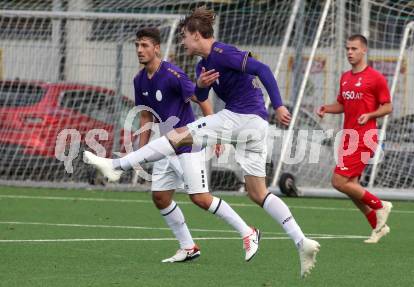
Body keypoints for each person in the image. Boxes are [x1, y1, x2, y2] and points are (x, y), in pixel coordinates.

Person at [84, 7, 319, 278]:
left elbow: (262, 69)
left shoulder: (223, 52)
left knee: (176, 135)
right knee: (258, 192)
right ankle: (302, 241)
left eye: (184, 36)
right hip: (254, 128)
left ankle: (117, 165)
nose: (182, 41)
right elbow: (200, 94)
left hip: (242, 117)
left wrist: (278, 105)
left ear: (197, 35)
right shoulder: (202, 65)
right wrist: (201, 84)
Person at [124, 27, 261, 263]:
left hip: (188, 144)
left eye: (145, 45)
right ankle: (188, 247)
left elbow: (201, 98)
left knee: (200, 198)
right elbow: (146, 117)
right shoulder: (139, 80)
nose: (140, 50)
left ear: (156, 48)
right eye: (137, 45)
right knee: (160, 198)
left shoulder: (173, 74)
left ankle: (248, 232)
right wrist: (140, 153)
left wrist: (213, 134)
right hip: (166, 145)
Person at [316, 34, 393, 244]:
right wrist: (327, 109)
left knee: (338, 181)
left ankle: (379, 205)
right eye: (348, 48)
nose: (350, 52)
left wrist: (370, 115)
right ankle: (378, 227)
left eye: (354, 49)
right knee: (352, 187)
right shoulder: (345, 77)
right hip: (348, 136)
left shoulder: (375, 78)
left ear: (364, 50)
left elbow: (387, 106)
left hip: (365, 136)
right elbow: (343, 105)